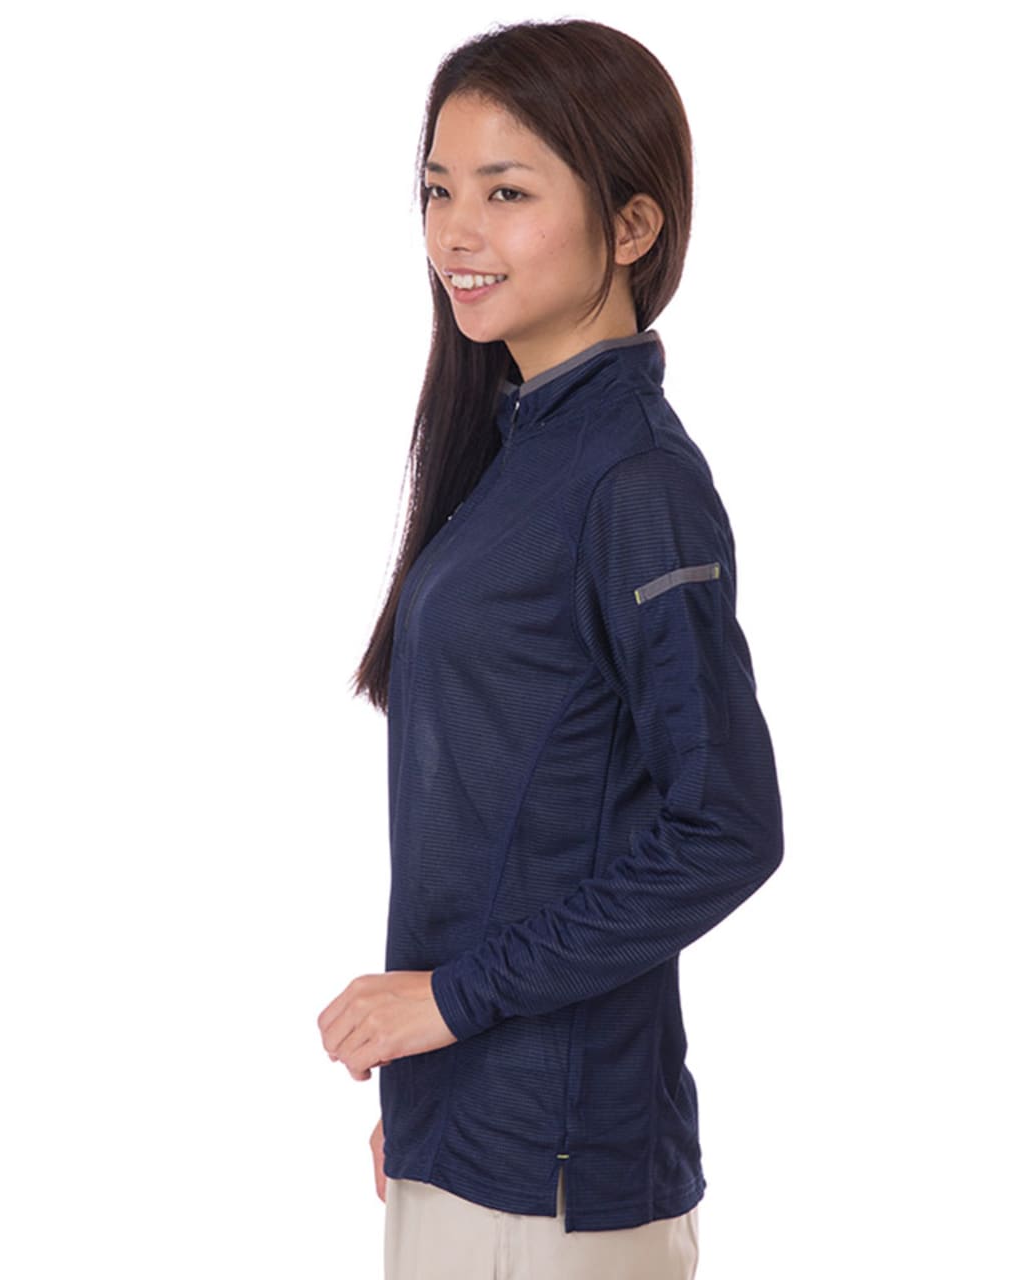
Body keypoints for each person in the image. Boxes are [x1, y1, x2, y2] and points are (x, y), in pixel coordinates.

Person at [316, 18, 784, 1279]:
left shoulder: (635, 481)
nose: (454, 234)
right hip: (468, 1134)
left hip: (563, 1175)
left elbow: (726, 825)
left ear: (630, 226)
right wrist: (434, 1087)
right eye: (437, 190)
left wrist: (447, 1001)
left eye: (506, 193)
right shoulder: (520, 449)